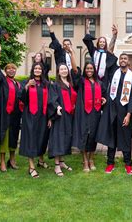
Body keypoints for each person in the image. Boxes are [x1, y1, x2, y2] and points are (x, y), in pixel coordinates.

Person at [96, 53, 132, 175]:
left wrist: (129, 114)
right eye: (121, 58)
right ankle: (110, 163)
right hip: (112, 110)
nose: (122, 60)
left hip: (125, 111)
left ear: (128, 61)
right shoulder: (113, 73)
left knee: (126, 138)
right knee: (112, 137)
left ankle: (128, 164)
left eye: (125, 59)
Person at [48, 46, 80, 177]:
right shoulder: (55, 85)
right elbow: (52, 99)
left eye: (65, 69)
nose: (64, 71)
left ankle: (61, 161)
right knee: (58, 139)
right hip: (60, 116)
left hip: (69, 115)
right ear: (58, 72)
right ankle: (56, 165)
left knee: (66, 138)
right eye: (61, 69)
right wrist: (57, 107)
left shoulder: (70, 84)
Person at [19, 62, 55, 178]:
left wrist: (50, 117)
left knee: (42, 138)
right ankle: (31, 167)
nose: (38, 70)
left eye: (40, 68)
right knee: (31, 139)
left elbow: (50, 102)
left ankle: (40, 161)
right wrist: (27, 86)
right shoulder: (27, 82)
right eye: (36, 68)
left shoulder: (46, 84)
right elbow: (22, 98)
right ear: (32, 70)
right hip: (30, 115)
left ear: (42, 71)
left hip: (43, 116)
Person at [0, 42, 23, 172]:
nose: (11, 70)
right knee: (4, 138)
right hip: (5, 114)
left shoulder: (18, 84)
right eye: (9, 69)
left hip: (15, 116)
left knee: (14, 137)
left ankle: (12, 160)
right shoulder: (3, 81)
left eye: (13, 68)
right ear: (6, 71)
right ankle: (3, 162)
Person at [72, 62, 107, 172]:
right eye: (87, 68)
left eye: (91, 68)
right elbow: (75, 71)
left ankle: (91, 159)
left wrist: (104, 99)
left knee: (93, 136)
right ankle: (85, 160)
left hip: (95, 113)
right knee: (84, 136)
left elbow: (104, 96)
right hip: (84, 113)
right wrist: (72, 53)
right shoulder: (81, 82)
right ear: (84, 69)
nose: (89, 70)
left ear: (94, 70)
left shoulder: (99, 83)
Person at [82, 20, 118, 88]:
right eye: (100, 42)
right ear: (98, 43)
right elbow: (89, 42)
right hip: (93, 76)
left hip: (104, 77)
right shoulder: (94, 51)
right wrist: (87, 29)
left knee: (103, 93)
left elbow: (111, 45)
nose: (102, 43)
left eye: (103, 42)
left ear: (105, 44)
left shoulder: (107, 53)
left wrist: (114, 35)